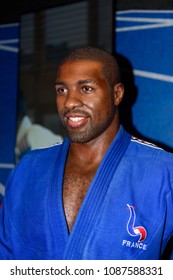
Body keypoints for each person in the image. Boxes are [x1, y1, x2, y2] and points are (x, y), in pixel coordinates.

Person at [0, 46, 173, 260]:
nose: (70, 102)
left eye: (86, 88)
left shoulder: (164, 172)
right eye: (62, 90)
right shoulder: (28, 169)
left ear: (116, 94)